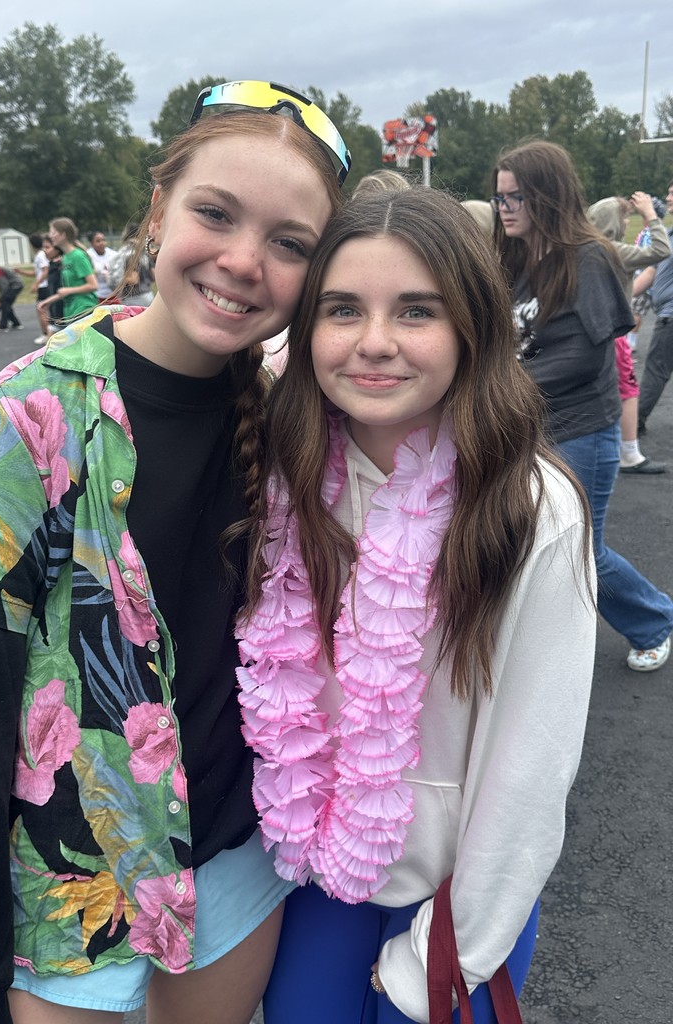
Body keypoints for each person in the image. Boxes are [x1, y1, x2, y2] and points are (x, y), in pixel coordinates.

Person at [0, 80, 349, 1024]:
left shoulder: (295, 418)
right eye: (215, 214)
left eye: (290, 244)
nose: (242, 261)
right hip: (70, 901)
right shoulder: (26, 419)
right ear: (157, 212)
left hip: (236, 867)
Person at [237, 184, 596, 1023]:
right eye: (342, 310)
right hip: (318, 865)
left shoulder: (530, 509)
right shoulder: (276, 483)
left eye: (415, 311)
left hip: (459, 888)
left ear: (472, 325)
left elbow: (532, 771)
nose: (374, 344)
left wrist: (456, 944)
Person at [493, 140, 673, 672]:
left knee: (581, 551)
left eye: (514, 198)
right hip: (533, 428)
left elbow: (580, 355)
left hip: (580, 430)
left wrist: (497, 388)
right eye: (499, 197)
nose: (503, 208)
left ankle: (655, 619)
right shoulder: (521, 258)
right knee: (534, 543)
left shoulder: (589, 256)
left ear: (546, 197)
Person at [587, 191, 671, 474]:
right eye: (623, 216)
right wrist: (650, 216)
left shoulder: (587, 248)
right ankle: (629, 453)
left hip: (601, 331)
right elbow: (660, 250)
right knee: (627, 388)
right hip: (614, 333)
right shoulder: (609, 249)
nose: (625, 222)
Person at [633, 179, 673, 435]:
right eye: (668, 192)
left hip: (670, 318)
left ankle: (635, 421)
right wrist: (620, 296)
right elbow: (650, 270)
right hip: (666, 316)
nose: (668, 198)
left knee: (656, 370)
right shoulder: (668, 235)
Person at [38, 217, 99, 322]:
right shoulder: (66, 257)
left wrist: (68, 290)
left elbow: (93, 285)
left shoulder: (78, 256)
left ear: (63, 235)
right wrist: (49, 301)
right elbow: (68, 289)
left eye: (53, 232)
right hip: (71, 310)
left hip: (83, 309)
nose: (50, 236)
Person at [108, 221, 156, 307]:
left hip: (134, 299)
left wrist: (113, 279)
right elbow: (154, 276)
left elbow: (133, 280)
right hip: (148, 295)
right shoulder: (143, 252)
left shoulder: (129, 253)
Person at [16, 233, 52, 344]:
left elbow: (46, 270)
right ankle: (46, 333)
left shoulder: (41, 255)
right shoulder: (39, 255)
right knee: (42, 310)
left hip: (44, 287)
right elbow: (36, 273)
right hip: (43, 286)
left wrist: (36, 284)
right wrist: (21, 272)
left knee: (41, 311)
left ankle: (47, 335)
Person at [88, 229, 118, 302]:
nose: (102, 243)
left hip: (113, 294)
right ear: (91, 243)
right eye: (98, 241)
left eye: (103, 240)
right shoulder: (88, 255)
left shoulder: (114, 254)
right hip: (97, 295)